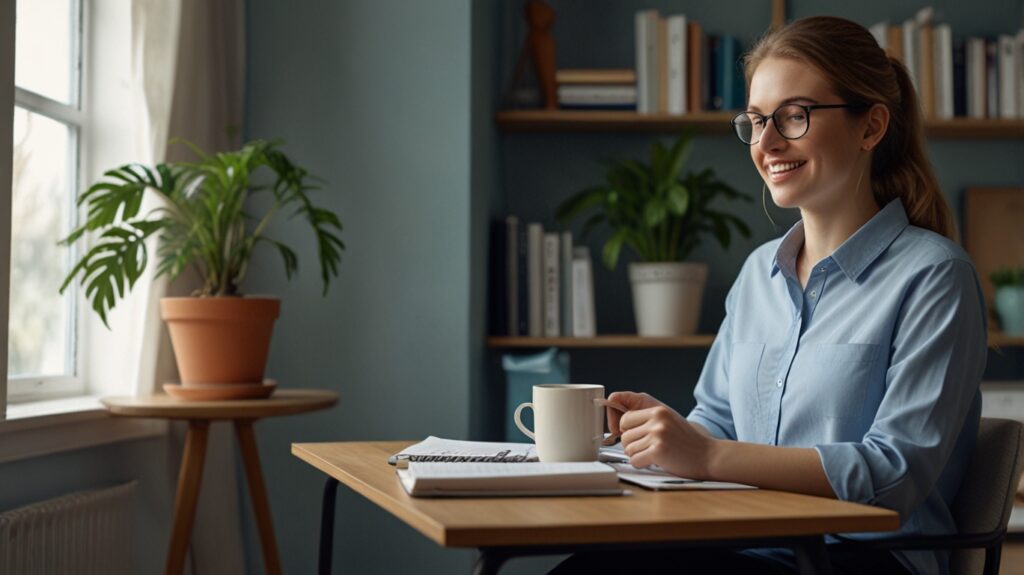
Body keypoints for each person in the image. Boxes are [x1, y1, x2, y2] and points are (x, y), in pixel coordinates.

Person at [550, 15, 987, 575]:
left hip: (861, 562)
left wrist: (706, 455)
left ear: (871, 127)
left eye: (794, 116)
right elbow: (719, 421)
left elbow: (893, 474)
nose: (767, 143)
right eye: (756, 121)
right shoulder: (759, 273)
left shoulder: (935, 276)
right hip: (751, 543)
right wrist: (663, 436)